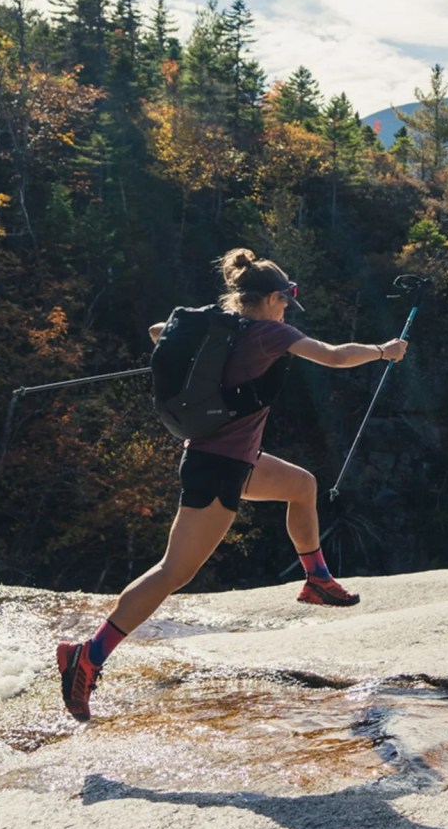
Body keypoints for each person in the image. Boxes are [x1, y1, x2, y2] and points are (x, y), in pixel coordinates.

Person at [56, 248, 408, 721]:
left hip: (234, 460)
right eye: (286, 302)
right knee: (172, 573)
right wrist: (385, 351)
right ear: (272, 298)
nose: (287, 311)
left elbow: (159, 332)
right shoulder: (270, 332)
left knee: (302, 486)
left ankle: (317, 579)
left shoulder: (219, 326)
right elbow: (332, 356)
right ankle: (88, 655)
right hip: (219, 467)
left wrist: (212, 363)